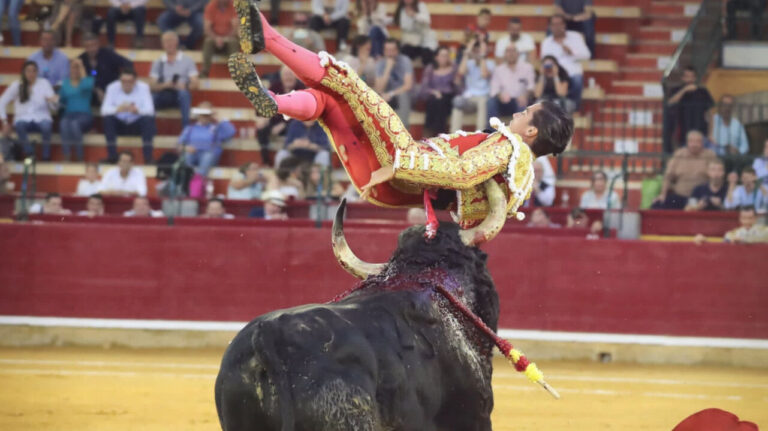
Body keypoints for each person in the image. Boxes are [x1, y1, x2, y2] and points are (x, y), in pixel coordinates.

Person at [230, 4, 574, 232]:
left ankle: (268, 39)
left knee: (345, 80)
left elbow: (461, 171)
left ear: (530, 130)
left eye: (526, 112)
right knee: (329, 104)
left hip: (400, 164)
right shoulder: (520, 181)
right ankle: (274, 102)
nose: (517, 112)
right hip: (386, 189)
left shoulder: (510, 148)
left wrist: (402, 164)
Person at [0, 61, 57, 161]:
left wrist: (53, 101)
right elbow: (2, 102)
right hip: (23, 119)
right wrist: (4, 122)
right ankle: (30, 154)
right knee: (19, 125)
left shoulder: (44, 83)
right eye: (28, 71)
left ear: (37, 72)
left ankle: (45, 156)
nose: (31, 74)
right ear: (24, 72)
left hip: (41, 118)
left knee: (47, 126)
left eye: (34, 71)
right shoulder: (16, 85)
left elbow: (54, 107)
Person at [652, 130, 718, 209]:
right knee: (658, 205)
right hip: (680, 196)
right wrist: (663, 194)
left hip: (701, 198)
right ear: (687, 143)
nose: (694, 144)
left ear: (702, 143)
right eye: (691, 141)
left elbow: (716, 175)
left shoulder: (709, 155)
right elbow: (668, 176)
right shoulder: (679, 154)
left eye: (697, 141)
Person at [101, 68, 156, 164]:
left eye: (129, 81)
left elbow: (150, 110)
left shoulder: (143, 88)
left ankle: (148, 158)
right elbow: (104, 110)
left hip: (136, 124)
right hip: (120, 124)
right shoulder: (112, 87)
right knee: (108, 119)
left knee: (148, 120)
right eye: (123, 81)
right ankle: (112, 157)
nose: (126, 84)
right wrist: (117, 109)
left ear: (135, 81)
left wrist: (137, 111)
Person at [255, 66, 305, 165]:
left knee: (295, 126)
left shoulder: (301, 89)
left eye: (291, 74)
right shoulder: (275, 86)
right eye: (286, 75)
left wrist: (283, 124)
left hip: (294, 123)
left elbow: (302, 112)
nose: (288, 77)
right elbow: (264, 103)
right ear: (281, 77)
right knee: (261, 128)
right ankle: (265, 159)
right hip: (275, 121)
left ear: (295, 76)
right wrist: (262, 118)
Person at [150, 31, 200, 128]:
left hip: (180, 95)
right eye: (166, 41)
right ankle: (151, 130)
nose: (169, 44)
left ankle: (185, 131)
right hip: (164, 93)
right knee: (151, 99)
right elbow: (152, 85)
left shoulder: (187, 60)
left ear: (177, 42)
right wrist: (165, 85)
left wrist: (183, 86)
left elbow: (196, 84)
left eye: (171, 40)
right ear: (162, 44)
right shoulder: (158, 62)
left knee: (184, 94)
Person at [540, 15, 590, 110]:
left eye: (559, 24)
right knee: (546, 81)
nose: (557, 27)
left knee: (578, 79)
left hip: (572, 74)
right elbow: (544, 61)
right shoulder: (546, 42)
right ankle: (555, 109)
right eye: (554, 24)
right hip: (556, 74)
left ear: (564, 25)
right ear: (550, 27)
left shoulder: (576, 37)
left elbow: (587, 55)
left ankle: (573, 108)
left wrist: (572, 52)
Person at [663, 66, 714, 154]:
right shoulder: (676, 90)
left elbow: (710, 114)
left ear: (695, 78)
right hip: (682, 134)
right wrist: (684, 90)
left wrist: (710, 134)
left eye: (692, 76)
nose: (689, 79)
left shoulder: (703, 92)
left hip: (701, 132)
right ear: (682, 78)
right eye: (687, 76)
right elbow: (670, 103)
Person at [450, 38, 494, 133]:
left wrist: (482, 55)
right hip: (469, 98)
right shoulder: (469, 63)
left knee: (483, 102)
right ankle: (454, 134)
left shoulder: (490, 63)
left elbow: (484, 74)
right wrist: (467, 53)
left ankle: (480, 134)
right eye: (475, 50)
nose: (477, 52)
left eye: (479, 50)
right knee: (458, 103)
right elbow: (461, 72)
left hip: (483, 98)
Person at [79, 33, 134, 105]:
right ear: (84, 47)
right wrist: (96, 89)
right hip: (92, 93)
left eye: (94, 45)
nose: (91, 49)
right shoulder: (81, 59)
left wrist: (121, 80)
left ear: (98, 44)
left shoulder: (108, 54)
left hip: (113, 90)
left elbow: (128, 64)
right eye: (88, 46)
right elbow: (79, 80)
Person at [487, 46, 535, 126]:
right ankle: (491, 133)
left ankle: (519, 136)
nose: (511, 54)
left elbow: (531, 86)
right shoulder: (498, 69)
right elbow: (494, 89)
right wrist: (500, 95)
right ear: (505, 55)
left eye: (513, 51)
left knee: (522, 104)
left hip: (521, 100)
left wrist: (525, 95)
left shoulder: (527, 67)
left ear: (518, 54)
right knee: (490, 102)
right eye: (508, 51)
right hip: (504, 102)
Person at [57, 58, 94, 161]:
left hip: (84, 116)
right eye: (73, 67)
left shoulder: (88, 80)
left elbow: (86, 86)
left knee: (74, 124)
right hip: (69, 115)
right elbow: (61, 100)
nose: (75, 70)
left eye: (77, 67)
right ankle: (67, 155)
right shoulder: (65, 83)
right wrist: (55, 99)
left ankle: (79, 156)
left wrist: (81, 65)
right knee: (63, 123)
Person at [418, 46, 458, 136]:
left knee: (441, 102)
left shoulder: (454, 68)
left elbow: (458, 89)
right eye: (442, 56)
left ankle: (433, 133)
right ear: (436, 57)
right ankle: (435, 133)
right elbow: (423, 88)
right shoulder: (430, 68)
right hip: (433, 97)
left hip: (449, 98)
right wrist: (434, 92)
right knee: (435, 102)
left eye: (446, 56)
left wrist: (456, 81)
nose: (445, 58)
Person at [375, 38, 414, 129]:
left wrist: (391, 94)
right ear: (384, 51)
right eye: (387, 50)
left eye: (392, 50)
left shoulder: (405, 61)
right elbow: (379, 89)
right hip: (386, 95)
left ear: (397, 51)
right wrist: (388, 69)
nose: (390, 53)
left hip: (401, 94)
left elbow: (408, 86)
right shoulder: (380, 64)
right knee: (376, 96)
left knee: (403, 95)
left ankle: (404, 131)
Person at [201, 0, 239, 78]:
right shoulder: (211, 6)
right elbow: (206, 29)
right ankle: (205, 71)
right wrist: (216, 38)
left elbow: (235, 29)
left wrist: (225, 38)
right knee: (208, 41)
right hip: (214, 39)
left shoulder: (234, 6)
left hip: (229, 38)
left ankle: (236, 71)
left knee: (233, 42)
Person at [394, 0, 437, 65]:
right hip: (412, 42)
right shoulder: (401, 8)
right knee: (404, 53)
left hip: (426, 42)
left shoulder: (421, 5)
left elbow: (427, 20)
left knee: (427, 56)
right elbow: (401, 23)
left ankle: (428, 74)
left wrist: (414, 15)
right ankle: (407, 74)